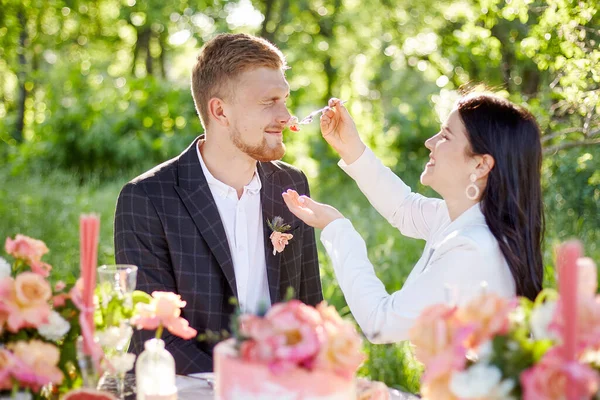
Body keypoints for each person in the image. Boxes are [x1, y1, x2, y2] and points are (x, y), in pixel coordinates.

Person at [114, 33, 322, 374]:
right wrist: (244, 384)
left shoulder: (292, 184)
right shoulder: (147, 198)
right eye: (268, 102)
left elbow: (309, 306)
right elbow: (152, 334)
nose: (285, 115)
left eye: (284, 99)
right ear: (220, 110)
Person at [283, 93, 544, 343]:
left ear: (480, 164)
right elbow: (404, 208)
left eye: (445, 135)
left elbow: (380, 324)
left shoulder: (472, 247)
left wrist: (337, 228)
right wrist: (351, 147)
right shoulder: (461, 218)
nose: (430, 142)